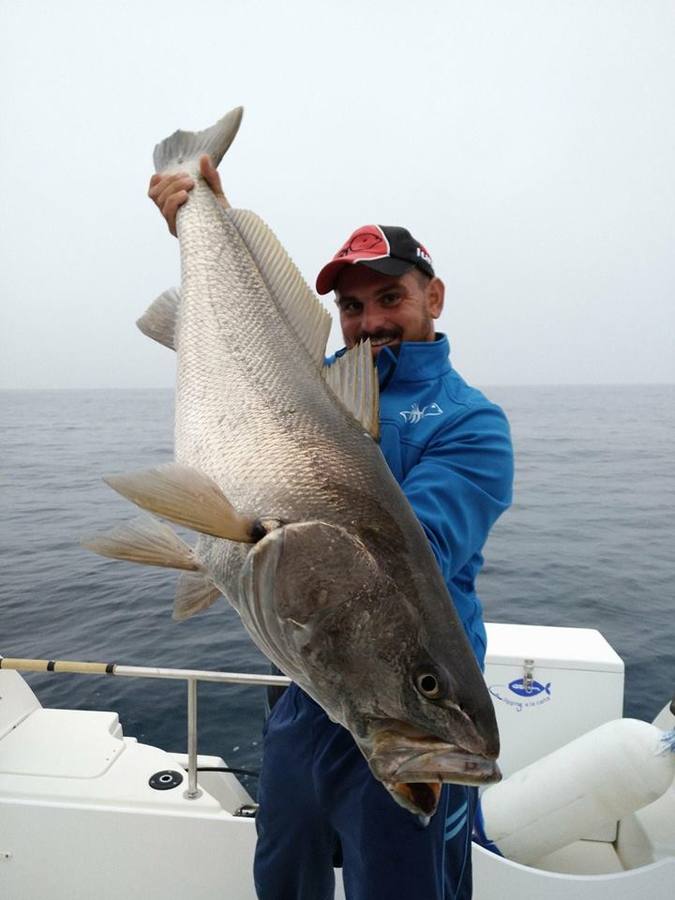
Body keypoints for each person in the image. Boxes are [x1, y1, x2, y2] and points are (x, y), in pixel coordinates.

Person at [149, 159, 514, 900]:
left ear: (432, 296)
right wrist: (201, 218)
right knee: (284, 867)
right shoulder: (303, 388)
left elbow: (414, 558)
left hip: (408, 699)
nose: (370, 320)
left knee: (400, 886)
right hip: (317, 689)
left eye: (390, 297)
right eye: (351, 307)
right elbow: (246, 341)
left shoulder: (470, 424)